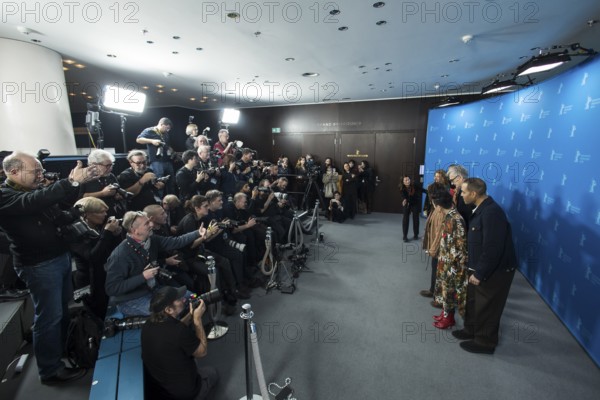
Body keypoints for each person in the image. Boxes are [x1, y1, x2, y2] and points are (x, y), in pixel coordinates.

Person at [0, 151, 98, 384]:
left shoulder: (33, 190)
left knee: (62, 311)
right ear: (13, 172)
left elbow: (57, 211)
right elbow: (32, 203)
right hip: (39, 266)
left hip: (59, 256)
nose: (40, 175)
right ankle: (49, 370)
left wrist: (75, 210)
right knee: (49, 317)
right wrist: (71, 181)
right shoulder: (6, 196)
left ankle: (63, 348)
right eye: (35, 171)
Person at [452, 178, 517, 354]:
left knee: (487, 306)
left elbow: (492, 248)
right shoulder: (481, 208)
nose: (461, 195)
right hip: (478, 266)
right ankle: (470, 330)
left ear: (473, 194)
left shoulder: (492, 213)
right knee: (473, 301)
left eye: (464, 192)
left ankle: (484, 342)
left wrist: (480, 273)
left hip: (494, 271)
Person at [104, 210, 204, 316]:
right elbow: (112, 289)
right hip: (131, 300)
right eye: (146, 223)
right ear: (135, 230)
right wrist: (143, 276)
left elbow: (176, 241)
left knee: (191, 298)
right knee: (171, 311)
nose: (151, 224)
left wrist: (197, 233)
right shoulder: (120, 255)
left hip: (154, 289)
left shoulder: (151, 239)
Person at [141, 286, 219, 400]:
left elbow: (175, 329)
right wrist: (197, 320)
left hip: (164, 388)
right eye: (178, 299)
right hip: (187, 393)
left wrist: (191, 315)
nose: (183, 299)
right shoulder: (179, 332)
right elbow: (202, 352)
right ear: (168, 310)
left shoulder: (148, 324)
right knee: (212, 372)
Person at [70, 197, 122, 319]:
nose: (105, 214)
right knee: (97, 316)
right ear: (86, 214)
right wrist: (107, 233)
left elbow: (111, 250)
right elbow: (92, 257)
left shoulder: (98, 227)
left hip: (103, 276)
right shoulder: (75, 231)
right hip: (90, 282)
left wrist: (116, 235)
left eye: (105, 211)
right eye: (100, 212)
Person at [429, 189, 468, 329]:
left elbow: (460, 246)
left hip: (452, 264)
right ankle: (445, 313)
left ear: (438, 206)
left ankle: (448, 318)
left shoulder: (456, 219)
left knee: (449, 291)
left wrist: (453, 266)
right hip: (445, 260)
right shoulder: (449, 216)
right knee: (444, 290)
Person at [79, 149, 125, 217]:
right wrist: (102, 193)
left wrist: (117, 195)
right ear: (94, 165)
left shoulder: (111, 176)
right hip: (95, 216)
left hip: (113, 214)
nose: (110, 168)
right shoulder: (83, 178)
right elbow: (80, 198)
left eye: (111, 165)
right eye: (107, 166)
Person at [137, 117, 176, 194]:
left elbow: (166, 145)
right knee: (158, 182)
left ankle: (172, 201)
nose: (168, 130)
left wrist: (171, 150)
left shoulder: (166, 134)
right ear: (161, 124)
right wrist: (152, 141)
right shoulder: (150, 130)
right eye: (167, 128)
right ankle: (160, 201)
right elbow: (138, 139)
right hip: (156, 161)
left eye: (169, 129)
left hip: (167, 160)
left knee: (171, 182)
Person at [398, 175, 424, 242]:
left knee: (416, 218)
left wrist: (429, 192)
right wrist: (404, 200)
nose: (407, 181)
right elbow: (403, 196)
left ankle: (416, 234)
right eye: (405, 180)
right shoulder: (401, 187)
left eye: (408, 179)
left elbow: (422, 190)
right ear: (403, 182)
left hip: (415, 202)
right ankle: (405, 236)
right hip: (407, 202)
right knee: (405, 218)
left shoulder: (415, 185)